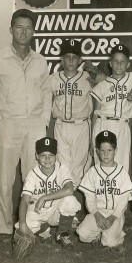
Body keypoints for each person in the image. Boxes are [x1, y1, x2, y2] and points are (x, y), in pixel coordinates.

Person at [0, 8, 52, 237]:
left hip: (35, 124)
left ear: (34, 31)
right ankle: (3, 227)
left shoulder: (41, 61)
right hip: (8, 124)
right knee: (4, 179)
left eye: (28, 28)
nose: (24, 32)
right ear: (11, 30)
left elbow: (46, 93)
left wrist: (43, 121)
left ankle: (30, 224)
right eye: (19, 27)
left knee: (34, 177)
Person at [16, 137, 81, 248]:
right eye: (43, 155)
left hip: (56, 210)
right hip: (37, 210)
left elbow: (69, 189)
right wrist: (22, 224)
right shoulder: (32, 174)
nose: (47, 159)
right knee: (22, 227)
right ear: (37, 156)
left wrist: (44, 197)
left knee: (70, 200)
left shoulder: (62, 168)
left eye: (51, 155)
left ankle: (62, 234)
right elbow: (25, 200)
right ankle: (44, 228)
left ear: (56, 156)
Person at [76, 130, 132, 253]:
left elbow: (124, 200)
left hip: (115, 213)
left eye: (109, 150)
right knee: (83, 234)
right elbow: (90, 198)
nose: (106, 154)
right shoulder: (92, 172)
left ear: (116, 150)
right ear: (97, 151)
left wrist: (113, 217)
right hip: (98, 211)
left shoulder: (122, 172)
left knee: (111, 243)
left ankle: (115, 234)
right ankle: (99, 233)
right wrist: (96, 215)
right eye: (102, 151)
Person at [91, 44, 132, 173]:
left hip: (122, 125)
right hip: (103, 123)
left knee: (121, 166)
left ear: (128, 64)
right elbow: (95, 115)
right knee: (101, 166)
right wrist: (91, 141)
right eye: (115, 61)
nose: (119, 65)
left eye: (122, 61)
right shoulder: (102, 85)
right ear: (110, 63)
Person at [50, 38, 93, 188]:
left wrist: (96, 71)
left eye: (74, 57)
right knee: (62, 166)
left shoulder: (88, 78)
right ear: (61, 59)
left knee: (78, 168)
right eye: (67, 57)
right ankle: (67, 207)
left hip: (81, 127)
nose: (70, 60)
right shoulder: (53, 79)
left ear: (80, 60)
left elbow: (106, 83)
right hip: (60, 126)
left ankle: (69, 206)